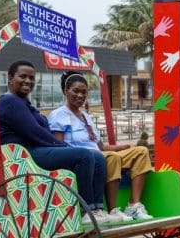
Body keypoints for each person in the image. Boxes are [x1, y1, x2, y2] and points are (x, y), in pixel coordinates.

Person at [0, 61, 107, 223]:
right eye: (23, 76)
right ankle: (86, 211)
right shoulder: (9, 102)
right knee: (83, 155)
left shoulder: (25, 104)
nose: (28, 81)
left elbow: (40, 132)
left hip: (36, 150)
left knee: (97, 157)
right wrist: (63, 146)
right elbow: (34, 133)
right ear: (10, 78)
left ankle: (98, 208)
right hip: (25, 154)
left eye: (32, 78)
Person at [48, 71, 154, 224]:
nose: (80, 96)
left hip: (99, 154)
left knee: (140, 152)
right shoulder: (59, 115)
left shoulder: (86, 117)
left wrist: (123, 146)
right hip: (85, 159)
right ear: (66, 91)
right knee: (112, 157)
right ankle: (112, 210)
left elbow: (100, 146)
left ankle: (133, 206)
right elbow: (59, 146)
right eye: (76, 91)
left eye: (84, 92)